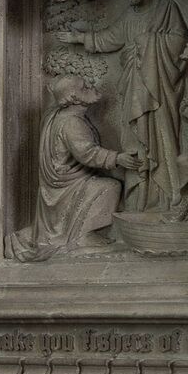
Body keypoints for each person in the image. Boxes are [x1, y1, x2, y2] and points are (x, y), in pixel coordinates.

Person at [33, 59, 126, 251]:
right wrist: (117, 158)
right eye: (85, 87)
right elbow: (87, 154)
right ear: (75, 98)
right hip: (66, 186)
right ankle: (83, 235)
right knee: (111, 186)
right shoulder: (71, 122)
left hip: (63, 182)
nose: (91, 87)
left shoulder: (58, 115)